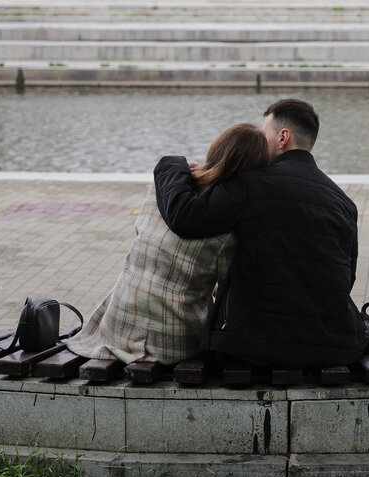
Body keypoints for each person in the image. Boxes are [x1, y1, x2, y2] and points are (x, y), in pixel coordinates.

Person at [153, 98, 367, 368]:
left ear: (283, 137)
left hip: (254, 346)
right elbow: (346, 279)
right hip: (336, 347)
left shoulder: (250, 184)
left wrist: (171, 165)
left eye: (263, 134)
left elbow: (185, 217)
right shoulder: (344, 202)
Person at [67, 123, 269, 365]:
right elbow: (228, 291)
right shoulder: (228, 224)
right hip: (174, 343)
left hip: (117, 327)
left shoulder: (161, 190)